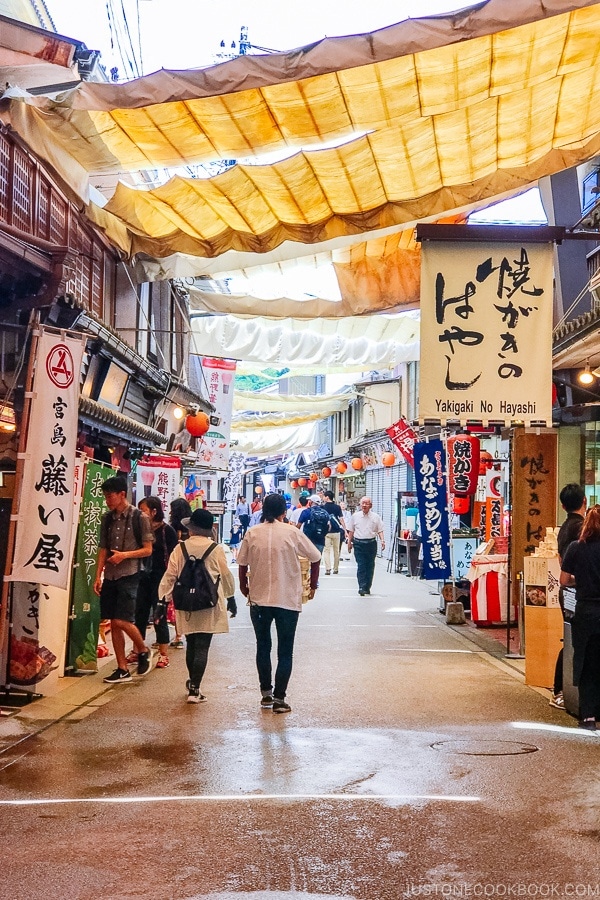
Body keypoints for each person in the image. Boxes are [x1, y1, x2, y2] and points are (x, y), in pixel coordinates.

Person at [237, 493, 321, 713]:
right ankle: (280, 699)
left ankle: (266, 694)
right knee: (285, 651)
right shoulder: (293, 532)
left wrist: (245, 588)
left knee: (263, 647)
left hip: (259, 600)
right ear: (284, 511)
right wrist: (313, 585)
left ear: (263, 510)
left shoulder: (252, 533)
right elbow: (315, 557)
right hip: (288, 600)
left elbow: (242, 564)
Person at [158, 508, 236, 703]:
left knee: (191, 643)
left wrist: (162, 600)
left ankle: (192, 682)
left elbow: (170, 576)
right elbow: (225, 575)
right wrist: (231, 597)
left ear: (191, 528)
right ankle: (195, 689)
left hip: (185, 601)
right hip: (208, 601)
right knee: (203, 645)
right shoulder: (216, 549)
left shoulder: (180, 548)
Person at [94, 475, 154, 684]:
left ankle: (143, 649)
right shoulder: (106, 518)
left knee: (122, 619)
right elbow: (102, 548)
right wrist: (98, 575)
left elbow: (148, 550)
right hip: (110, 575)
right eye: (105, 496)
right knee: (113, 621)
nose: (107, 500)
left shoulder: (140, 518)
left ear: (122, 494)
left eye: (110, 496)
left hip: (130, 574)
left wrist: (124, 555)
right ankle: (122, 668)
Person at [129, 496, 178, 670]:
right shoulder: (139, 530)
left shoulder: (167, 531)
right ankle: (138, 650)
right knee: (139, 613)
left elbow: (174, 557)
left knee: (159, 615)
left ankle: (163, 654)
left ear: (154, 511)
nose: (140, 513)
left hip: (160, 577)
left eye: (143, 510)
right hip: (142, 576)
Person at [551, 484, 586, 710]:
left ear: (563, 505)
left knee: (571, 637)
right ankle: (562, 689)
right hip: (578, 590)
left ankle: (560, 689)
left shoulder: (564, 527)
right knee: (577, 640)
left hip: (568, 591)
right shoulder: (582, 528)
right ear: (584, 501)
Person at [347, 497, 385, 596]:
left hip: (371, 543)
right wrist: (349, 543)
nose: (364, 505)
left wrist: (382, 540)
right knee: (361, 565)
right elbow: (351, 530)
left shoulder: (375, 517)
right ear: (360, 505)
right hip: (358, 543)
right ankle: (362, 587)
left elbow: (380, 530)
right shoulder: (355, 516)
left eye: (366, 503)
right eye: (362, 503)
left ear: (371, 505)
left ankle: (367, 586)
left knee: (370, 565)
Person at [168, 498, 193, 650]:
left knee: (178, 600)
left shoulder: (173, 527)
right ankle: (186, 631)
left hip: (177, 566)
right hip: (193, 566)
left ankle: (179, 635)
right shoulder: (192, 525)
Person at [322, 490, 345, 575]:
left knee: (326, 550)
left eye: (324, 496)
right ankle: (336, 569)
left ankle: (328, 569)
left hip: (326, 532)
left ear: (327, 497)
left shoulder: (323, 507)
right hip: (336, 532)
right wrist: (345, 530)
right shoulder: (337, 507)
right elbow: (341, 519)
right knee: (336, 551)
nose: (323, 498)